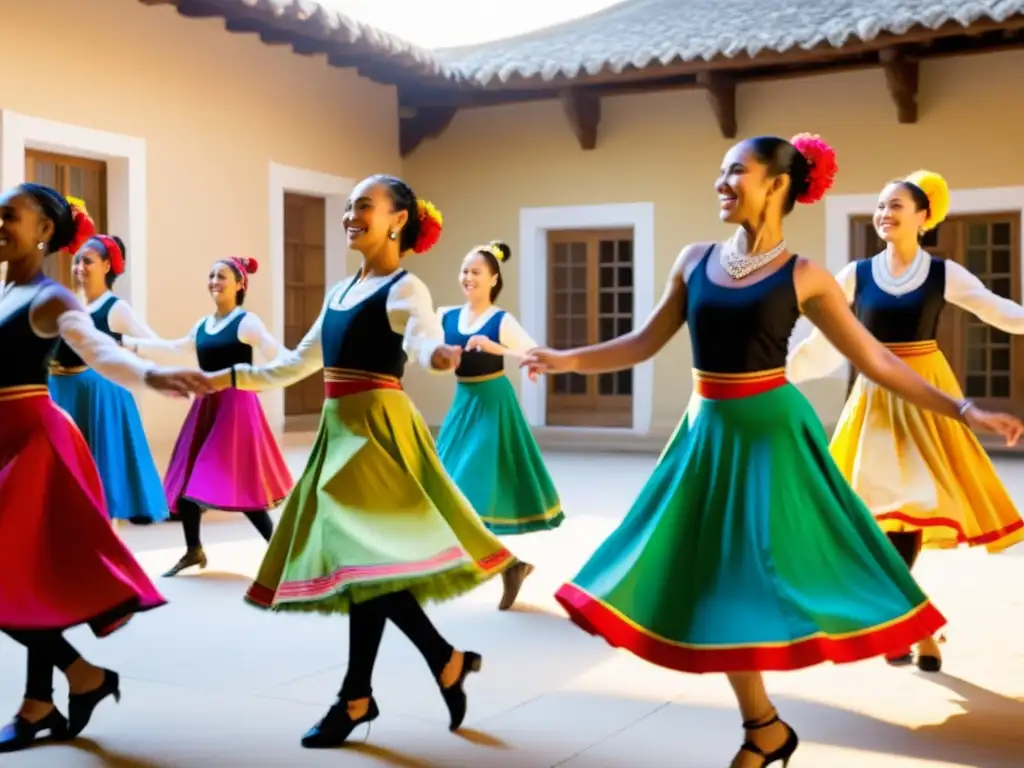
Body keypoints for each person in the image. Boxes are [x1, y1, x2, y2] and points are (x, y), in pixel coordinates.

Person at [521, 136, 1024, 768]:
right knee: (704, 572)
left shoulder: (807, 275)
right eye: (720, 173)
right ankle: (763, 725)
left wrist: (964, 408)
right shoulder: (694, 259)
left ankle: (799, 700)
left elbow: (873, 359)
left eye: (736, 172)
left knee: (767, 572)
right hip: (707, 437)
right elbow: (644, 341)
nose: (721, 184)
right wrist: (567, 359)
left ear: (778, 185)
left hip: (772, 438)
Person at [206, 174, 517, 748]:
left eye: (364, 207)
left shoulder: (406, 288)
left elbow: (423, 341)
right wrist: (221, 378)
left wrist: (441, 354)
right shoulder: (339, 292)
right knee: (365, 566)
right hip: (339, 431)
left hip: (376, 433)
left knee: (358, 559)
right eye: (348, 207)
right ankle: (425, 668)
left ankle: (366, 693)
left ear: (399, 219)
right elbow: (296, 363)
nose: (351, 215)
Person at [0, 183, 211, 753]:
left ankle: (68, 684)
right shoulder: (4, 294)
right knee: (26, 576)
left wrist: (151, 375)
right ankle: (54, 693)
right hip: (4, 440)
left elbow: (100, 350)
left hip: (32, 442)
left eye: (10, 216)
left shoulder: (51, 298)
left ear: (45, 232)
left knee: (17, 573)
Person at [787, 170, 1024, 672]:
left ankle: (909, 625)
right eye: (879, 205)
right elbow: (825, 343)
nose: (884, 213)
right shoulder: (855, 274)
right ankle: (921, 627)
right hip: (874, 398)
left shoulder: (944, 274)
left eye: (896, 204)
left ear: (923, 216)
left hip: (925, 396)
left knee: (909, 507)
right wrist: (774, 372)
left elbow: (1000, 312)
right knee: (874, 516)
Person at [123, 256, 293, 576]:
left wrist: (252, 380)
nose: (215, 280)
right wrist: (130, 342)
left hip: (236, 409)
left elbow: (280, 359)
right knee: (186, 479)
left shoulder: (247, 322)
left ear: (240, 284)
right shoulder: (203, 325)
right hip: (207, 406)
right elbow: (174, 348)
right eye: (212, 275)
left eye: (222, 276)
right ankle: (193, 551)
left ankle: (282, 553)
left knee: (238, 482)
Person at [435, 241, 564, 610]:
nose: (468, 277)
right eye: (464, 270)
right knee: (445, 491)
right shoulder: (445, 316)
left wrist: (496, 349)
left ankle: (505, 566)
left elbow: (534, 354)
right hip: (464, 404)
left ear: (494, 278)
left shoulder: (501, 320)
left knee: (470, 489)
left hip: (494, 405)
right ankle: (511, 566)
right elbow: (420, 344)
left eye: (476, 271)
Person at [48, 232, 169, 526]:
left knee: (101, 480)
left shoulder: (116, 309)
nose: (79, 267)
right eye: (77, 261)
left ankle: (108, 555)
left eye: (87, 261)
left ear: (106, 266)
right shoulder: (70, 303)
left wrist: (123, 345)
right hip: (60, 396)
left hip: (96, 398)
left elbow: (155, 345)